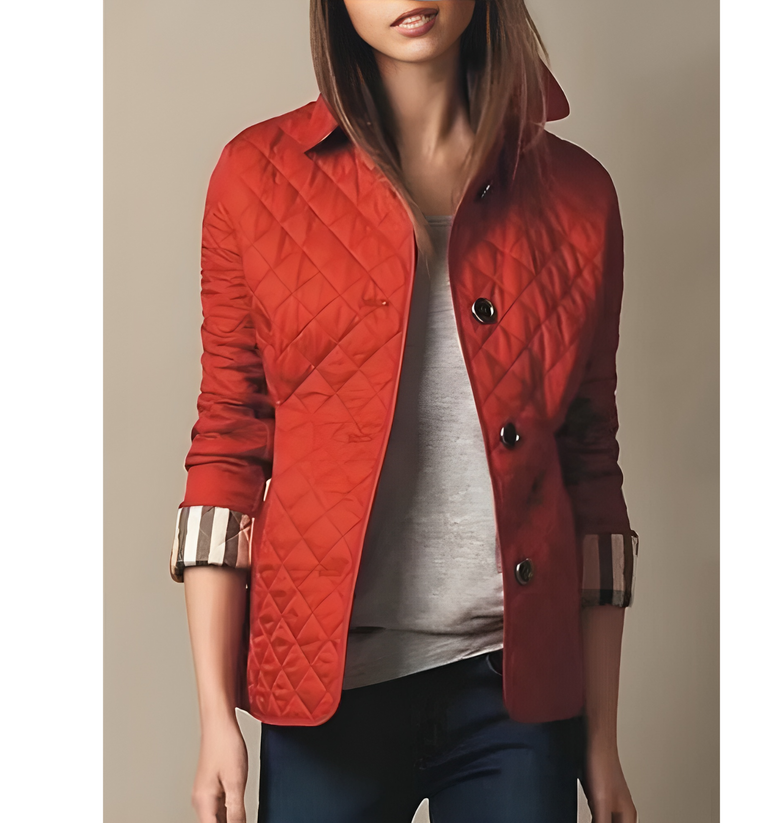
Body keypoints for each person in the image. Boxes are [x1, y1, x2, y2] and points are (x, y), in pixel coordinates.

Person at [169, 2, 640, 821]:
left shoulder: (577, 194)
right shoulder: (256, 176)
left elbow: (589, 465)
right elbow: (227, 445)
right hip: (326, 695)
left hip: (513, 689)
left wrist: (600, 740)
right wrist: (215, 716)